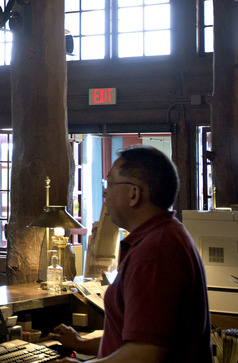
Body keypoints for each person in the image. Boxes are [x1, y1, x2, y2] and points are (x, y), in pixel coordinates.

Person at [45, 146, 212, 363]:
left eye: (110, 184)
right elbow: (136, 339)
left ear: (134, 194)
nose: (105, 192)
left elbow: (145, 354)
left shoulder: (154, 252)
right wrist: (81, 344)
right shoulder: (167, 234)